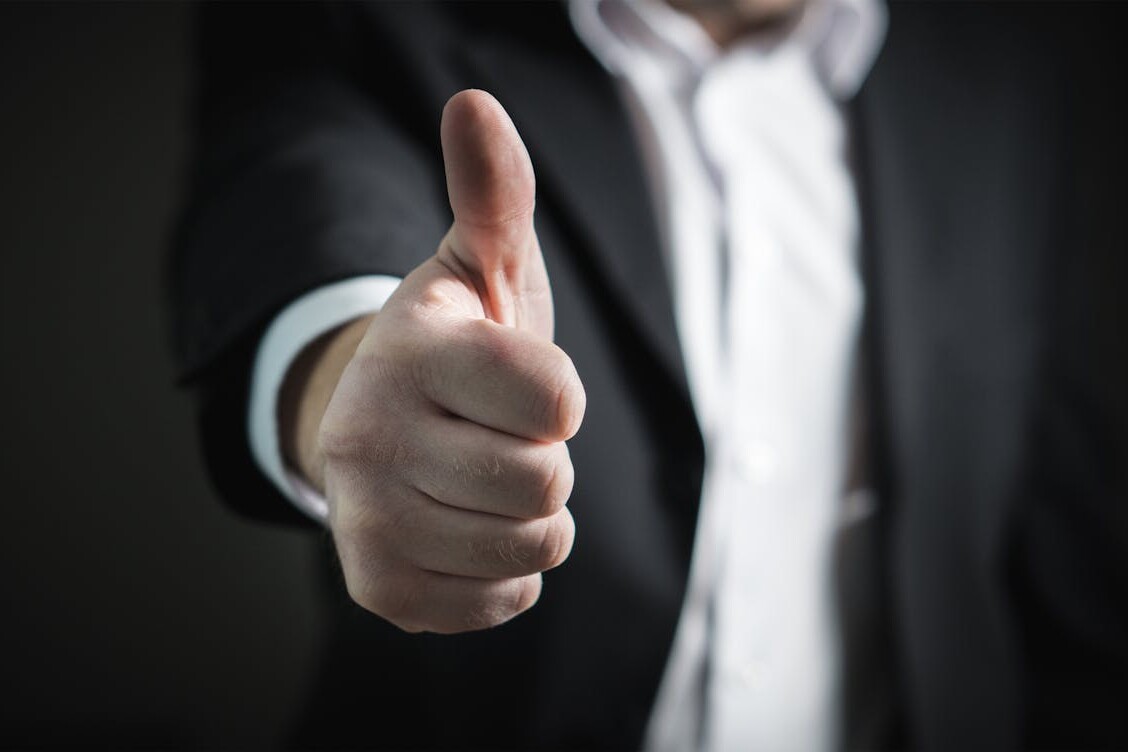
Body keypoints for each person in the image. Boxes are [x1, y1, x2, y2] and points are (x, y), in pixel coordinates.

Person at [171, 1, 1127, 749]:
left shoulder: (1022, 58)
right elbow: (304, 211)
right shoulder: (371, 17)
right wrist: (359, 396)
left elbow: (1061, 544)